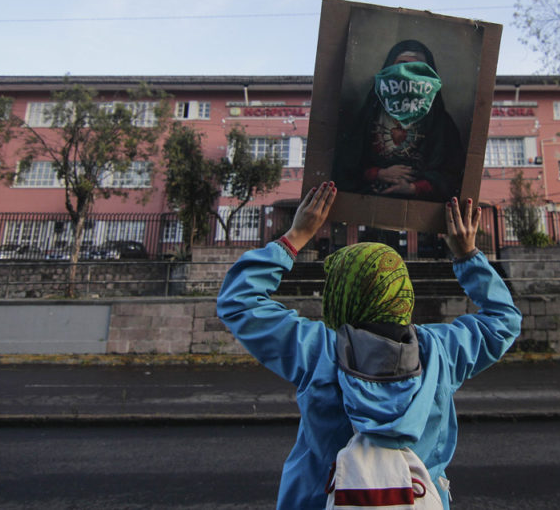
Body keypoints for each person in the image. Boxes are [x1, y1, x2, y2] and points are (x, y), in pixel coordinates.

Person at [216, 182, 522, 509]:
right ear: (401, 291)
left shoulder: (318, 352)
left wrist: (295, 238)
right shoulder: (442, 352)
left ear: (340, 292)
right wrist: (468, 255)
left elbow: (238, 301)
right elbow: (504, 319)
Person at [332, 39, 466, 202]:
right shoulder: (370, 114)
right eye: (402, 64)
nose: (407, 72)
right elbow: (346, 165)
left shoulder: (442, 123)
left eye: (416, 67)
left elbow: (451, 174)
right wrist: (378, 174)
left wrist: (413, 188)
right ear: (390, 68)